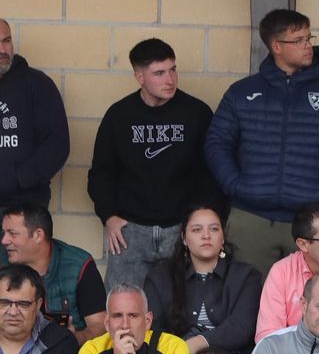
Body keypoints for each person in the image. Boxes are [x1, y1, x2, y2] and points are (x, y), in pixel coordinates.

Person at [205, 9, 319, 271]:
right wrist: (235, 185)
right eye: (299, 40)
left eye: (308, 37)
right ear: (276, 46)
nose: (308, 46)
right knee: (247, 302)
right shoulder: (242, 92)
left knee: (313, 302)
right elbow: (217, 143)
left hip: (311, 223)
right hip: (251, 219)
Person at [88, 36, 221, 294]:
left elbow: (211, 172)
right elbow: (102, 171)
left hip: (181, 228)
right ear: (140, 77)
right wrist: (109, 216)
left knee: (183, 308)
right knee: (123, 306)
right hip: (131, 232)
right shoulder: (120, 115)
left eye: (172, 70)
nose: (169, 80)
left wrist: (203, 221)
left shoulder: (196, 113)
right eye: (159, 73)